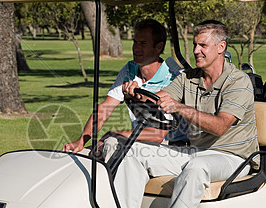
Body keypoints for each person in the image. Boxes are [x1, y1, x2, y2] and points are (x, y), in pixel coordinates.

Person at [116, 20, 258, 208]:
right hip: (196, 151)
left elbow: (220, 126)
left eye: (203, 45)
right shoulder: (188, 78)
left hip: (234, 157)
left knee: (197, 167)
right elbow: (158, 99)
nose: (195, 51)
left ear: (221, 47)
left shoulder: (238, 81)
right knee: (134, 152)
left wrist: (180, 108)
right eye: (194, 45)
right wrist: (134, 93)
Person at [63, 18, 182, 152]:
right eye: (135, 42)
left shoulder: (173, 77)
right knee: (88, 154)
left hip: (171, 147)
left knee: (111, 144)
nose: (136, 48)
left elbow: (158, 135)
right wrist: (81, 141)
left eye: (143, 44)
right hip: (138, 142)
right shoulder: (130, 70)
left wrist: (114, 135)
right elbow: (104, 108)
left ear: (159, 47)